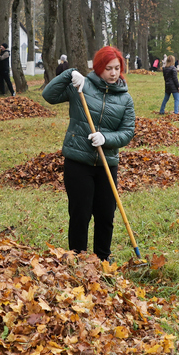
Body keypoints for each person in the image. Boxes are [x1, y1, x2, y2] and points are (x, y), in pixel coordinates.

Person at [42, 46, 135, 261]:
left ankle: (103, 257)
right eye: (108, 68)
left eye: (117, 68)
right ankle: (78, 257)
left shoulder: (125, 98)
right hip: (78, 162)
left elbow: (127, 132)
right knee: (80, 214)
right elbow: (49, 95)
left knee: (105, 214)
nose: (113, 73)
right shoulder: (81, 87)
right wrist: (69, 74)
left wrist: (106, 138)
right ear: (98, 68)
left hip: (107, 163)